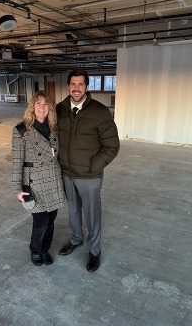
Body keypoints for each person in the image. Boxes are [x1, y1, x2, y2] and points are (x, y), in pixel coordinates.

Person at [56, 69, 120, 272]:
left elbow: (112, 146)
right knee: (73, 211)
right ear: (68, 86)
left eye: (80, 84)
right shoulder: (59, 109)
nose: (76, 88)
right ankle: (75, 239)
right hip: (67, 172)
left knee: (92, 215)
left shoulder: (100, 111)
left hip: (89, 176)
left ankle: (94, 251)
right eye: (73, 84)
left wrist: (94, 166)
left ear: (87, 86)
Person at [11, 90, 66, 266]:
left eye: (45, 104)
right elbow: (17, 162)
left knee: (51, 221)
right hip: (35, 184)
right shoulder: (21, 130)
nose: (42, 107)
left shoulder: (54, 129)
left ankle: (45, 250)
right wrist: (17, 189)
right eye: (38, 103)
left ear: (50, 107)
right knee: (41, 222)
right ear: (32, 107)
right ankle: (35, 250)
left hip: (53, 181)